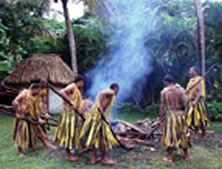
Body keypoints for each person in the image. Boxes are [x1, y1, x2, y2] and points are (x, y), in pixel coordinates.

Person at [80, 83, 120, 165]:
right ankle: (104, 159)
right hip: (98, 116)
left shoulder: (109, 95)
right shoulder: (111, 93)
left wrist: (103, 113)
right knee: (102, 138)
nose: (117, 93)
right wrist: (101, 110)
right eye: (117, 91)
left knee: (95, 137)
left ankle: (93, 159)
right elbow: (101, 93)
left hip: (95, 115)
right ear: (115, 89)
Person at [12, 83, 55, 158]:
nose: (38, 92)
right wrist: (17, 113)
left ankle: (45, 144)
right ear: (33, 89)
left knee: (38, 131)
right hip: (23, 117)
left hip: (32, 116)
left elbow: (36, 109)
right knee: (21, 134)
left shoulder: (35, 97)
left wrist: (39, 118)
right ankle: (20, 152)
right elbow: (14, 102)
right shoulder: (24, 94)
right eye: (38, 90)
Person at [158, 75, 191, 163]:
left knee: (170, 135)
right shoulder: (180, 90)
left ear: (166, 82)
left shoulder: (164, 91)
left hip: (171, 115)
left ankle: (170, 157)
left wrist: (160, 119)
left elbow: (162, 106)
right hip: (180, 114)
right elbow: (186, 103)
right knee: (183, 134)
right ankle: (187, 155)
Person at [54, 75, 85, 161]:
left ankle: (76, 148)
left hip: (74, 115)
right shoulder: (72, 86)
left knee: (75, 133)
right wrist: (71, 101)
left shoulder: (77, 90)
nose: (82, 84)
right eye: (82, 83)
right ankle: (68, 154)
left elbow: (79, 104)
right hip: (69, 115)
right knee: (69, 133)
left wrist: (82, 114)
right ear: (80, 81)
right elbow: (62, 92)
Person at [185, 66, 210, 140]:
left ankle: (203, 133)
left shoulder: (199, 80)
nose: (189, 72)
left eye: (191, 70)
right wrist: (186, 99)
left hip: (198, 101)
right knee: (192, 119)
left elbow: (200, 92)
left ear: (195, 71)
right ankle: (196, 134)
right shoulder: (190, 81)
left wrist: (196, 101)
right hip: (191, 101)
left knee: (200, 119)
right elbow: (187, 92)